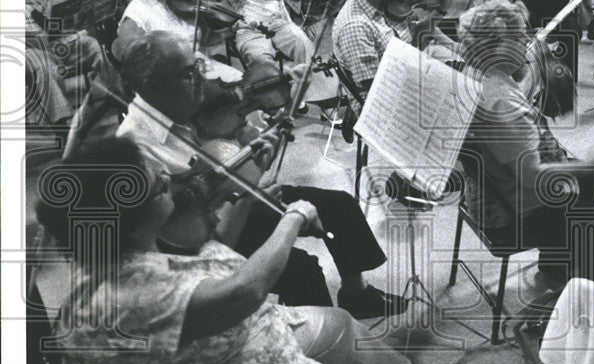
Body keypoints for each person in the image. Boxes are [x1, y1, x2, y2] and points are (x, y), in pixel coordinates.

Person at [38, 136, 454, 364]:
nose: (173, 180)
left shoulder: (117, 252)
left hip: (219, 363)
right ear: (131, 216)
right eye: (162, 184)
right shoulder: (123, 295)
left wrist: (246, 197)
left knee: (338, 325)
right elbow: (244, 291)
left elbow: (215, 250)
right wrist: (292, 218)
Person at [115, 31, 411, 320]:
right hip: (201, 234)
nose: (201, 81)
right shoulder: (135, 147)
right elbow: (181, 237)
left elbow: (258, 154)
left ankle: (356, 294)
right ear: (154, 87)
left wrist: (290, 107)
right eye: (188, 74)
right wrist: (248, 192)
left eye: (198, 67)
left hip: (238, 196)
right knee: (300, 268)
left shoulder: (196, 105)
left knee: (339, 204)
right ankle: (323, 340)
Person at [459, 0, 594, 293]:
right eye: (519, 38)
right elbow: (532, 177)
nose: (526, 44)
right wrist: (590, 164)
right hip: (512, 215)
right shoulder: (503, 104)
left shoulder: (474, 75)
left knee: (581, 177)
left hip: (485, 194)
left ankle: (560, 264)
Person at [331, 0, 414, 90]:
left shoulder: (379, 0)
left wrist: (440, 11)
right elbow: (376, 89)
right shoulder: (355, 27)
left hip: (404, 70)